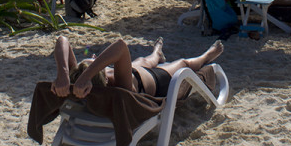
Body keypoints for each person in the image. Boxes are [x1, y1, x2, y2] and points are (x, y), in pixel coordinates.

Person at [51, 36, 224, 99]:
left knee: (145, 59)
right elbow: (120, 45)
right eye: (93, 62)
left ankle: (157, 52)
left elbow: (62, 40)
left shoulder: (76, 84)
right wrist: (87, 74)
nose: (95, 57)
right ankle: (207, 55)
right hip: (157, 80)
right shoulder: (121, 85)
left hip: (137, 70)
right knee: (183, 64)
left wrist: (63, 74)